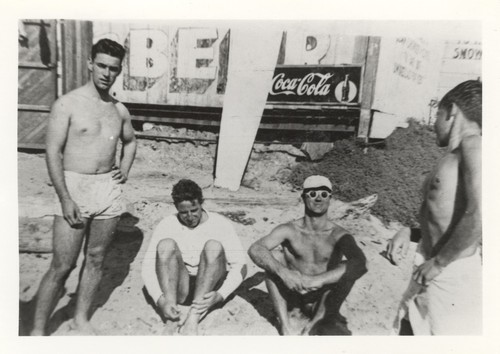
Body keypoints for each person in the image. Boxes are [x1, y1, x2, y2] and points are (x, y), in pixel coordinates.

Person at [30, 38, 137, 335]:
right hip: (74, 185)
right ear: (90, 63)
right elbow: (52, 152)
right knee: (62, 265)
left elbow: (131, 141)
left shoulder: (119, 110)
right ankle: (37, 332)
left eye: (113, 69)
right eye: (101, 65)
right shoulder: (67, 104)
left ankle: (80, 318)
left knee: (96, 259)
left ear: (119, 71)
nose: (107, 73)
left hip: (107, 189)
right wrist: (64, 197)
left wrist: (124, 170)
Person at [386, 80, 482, 335]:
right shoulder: (454, 156)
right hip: (429, 269)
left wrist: (439, 262)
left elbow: (481, 213)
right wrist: (411, 231)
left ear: (451, 111)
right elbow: (447, 217)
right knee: (408, 331)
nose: (434, 123)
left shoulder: (475, 145)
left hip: (449, 273)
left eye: (437, 113)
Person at [248, 175, 367, 335]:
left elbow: (361, 263)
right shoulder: (289, 229)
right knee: (274, 257)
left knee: (349, 266)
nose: (318, 198)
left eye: (323, 194)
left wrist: (316, 280)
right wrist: (284, 273)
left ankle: (315, 323)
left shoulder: (338, 234)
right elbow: (256, 248)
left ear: (330, 199)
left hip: (321, 300)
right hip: (292, 296)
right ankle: (285, 325)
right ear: (303, 197)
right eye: (312, 193)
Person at [141, 179, 247, 335]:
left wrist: (220, 295)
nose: (190, 216)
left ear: (201, 203)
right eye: (183, 212)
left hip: (209, 285)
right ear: (176, 208)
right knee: (166, 244)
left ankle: (193, 317)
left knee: (213, 246)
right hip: (179, 287)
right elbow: (147, 267)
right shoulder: (167, 224)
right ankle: (172, 317)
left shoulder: (220, 223)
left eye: (194, 210)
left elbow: (241, 266)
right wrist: (160, 300)